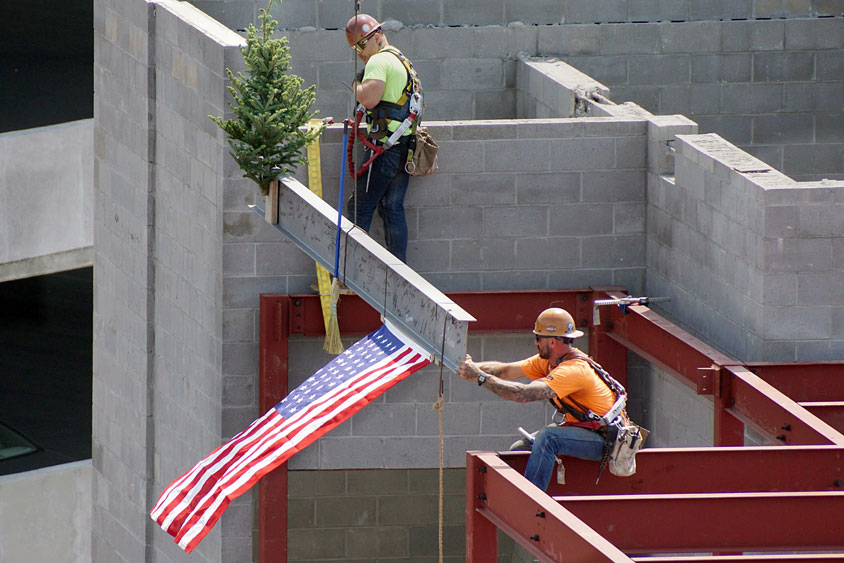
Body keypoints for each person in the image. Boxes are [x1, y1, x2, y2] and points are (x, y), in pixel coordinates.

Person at [456, 307, 625, 492]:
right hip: (583, 429)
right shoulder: (549, 361)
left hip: (603, 440)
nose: (536, 342)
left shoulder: (573, 370)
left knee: (547, 437)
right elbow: (505, 370)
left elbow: (522, 394)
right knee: (520, 448)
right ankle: (519, 491)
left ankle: (531, 500)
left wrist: (480, 377)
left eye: (538, 338)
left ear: (552, 341)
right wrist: (470, 368)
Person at [344, 14, 421, 263]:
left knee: (359, 208)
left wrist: (355, 85)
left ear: (376, 38)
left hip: (385, 148)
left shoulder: (378, 61)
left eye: (360, 45)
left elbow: (369, 99)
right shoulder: (401, 60)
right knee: (391, 207)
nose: (358, 53)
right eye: (353, 48)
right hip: (404, 147)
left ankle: (351, 273)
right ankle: (400, 271)